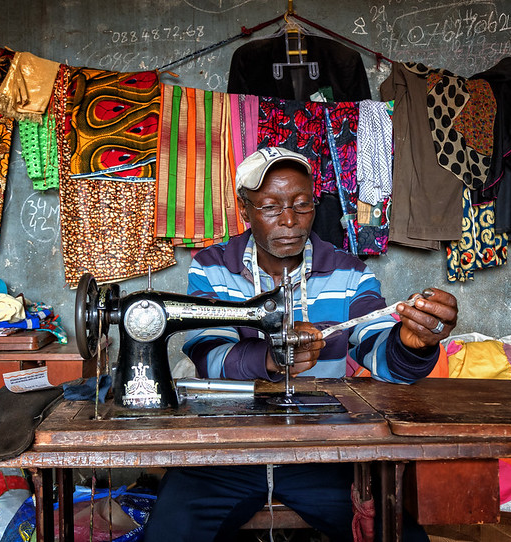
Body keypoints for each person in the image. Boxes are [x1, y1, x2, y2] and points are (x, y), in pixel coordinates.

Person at [144, 146, 459, 542]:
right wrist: (272, 359)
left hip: (323, 449)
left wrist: (413, 345)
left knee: (399, 536)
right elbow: (211, 356)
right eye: (271, 207)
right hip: (226, 450)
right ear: (245, 209)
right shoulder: (213, 267)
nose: (290, 221)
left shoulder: (350, 274)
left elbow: (380, 355)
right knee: (168, 533)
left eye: (301, 204)